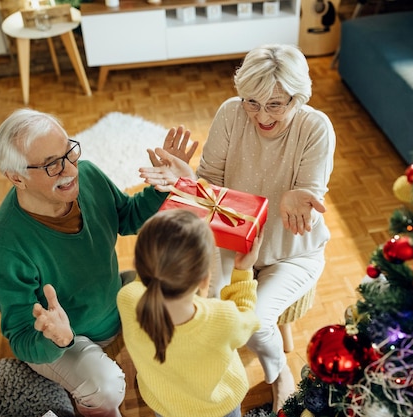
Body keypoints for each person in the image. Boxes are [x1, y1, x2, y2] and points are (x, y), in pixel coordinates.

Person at [141, 44, 336, 412]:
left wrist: (300, 196)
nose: (261, 115)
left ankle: (278, 374)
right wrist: (187, 181)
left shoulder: (315, 127)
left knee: (255, 321)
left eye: (275, 104)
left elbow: (311, 195)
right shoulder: (231, 113)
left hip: (292, 252)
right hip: (232, 237)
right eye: (252, 101)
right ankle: (212, 373)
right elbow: (209, 183)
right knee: (209, 309)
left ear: (299, 96)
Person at [0, 108, 195, 417]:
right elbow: (22, 337)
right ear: (16, 177)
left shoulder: (89, 175)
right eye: (52, 165)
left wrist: (164, 186)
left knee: (176, 293)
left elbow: (127, 217)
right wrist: (58, 338)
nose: (70, 170)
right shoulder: (2, 247)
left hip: (110, 300)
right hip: (63, 339)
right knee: (106, 387)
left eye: (68, 153)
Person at [117, 209, 263, 417]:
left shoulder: (127, 299)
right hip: (219, 408)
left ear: (140, 264)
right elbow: (248, 317)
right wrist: (243, 271)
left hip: (165, 406)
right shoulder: (221, 318)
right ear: (205, 279)